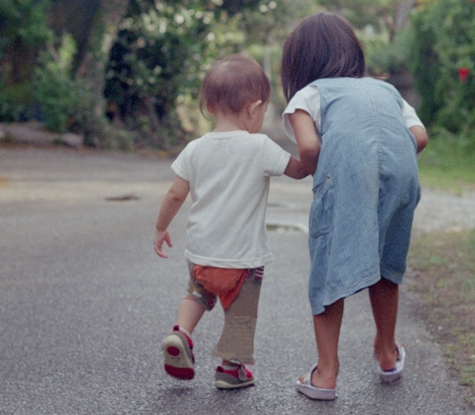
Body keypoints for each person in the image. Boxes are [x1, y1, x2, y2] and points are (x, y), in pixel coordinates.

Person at [279, 12, 429, 400]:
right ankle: (387, 353)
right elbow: (420, 136)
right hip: (402, 172)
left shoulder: (309, 95)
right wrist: (385, 159)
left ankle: (326, 374)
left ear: (300, 63)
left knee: (330, 266)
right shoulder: (386, 90)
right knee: (386, 264)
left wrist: (325, 173)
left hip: (346, 173)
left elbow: (310, 147)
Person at [153, 54, 308, 390]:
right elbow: (297, 170)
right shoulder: (259, 146)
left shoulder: (195, 148)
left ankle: (180, 333)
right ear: (253, 109)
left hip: (201, 255)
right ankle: (230, 369)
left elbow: (175, 195)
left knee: (196, 295)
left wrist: (161, 227)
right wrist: (315, 153)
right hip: (243, 260)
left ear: (208, 106)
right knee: (240, 314)